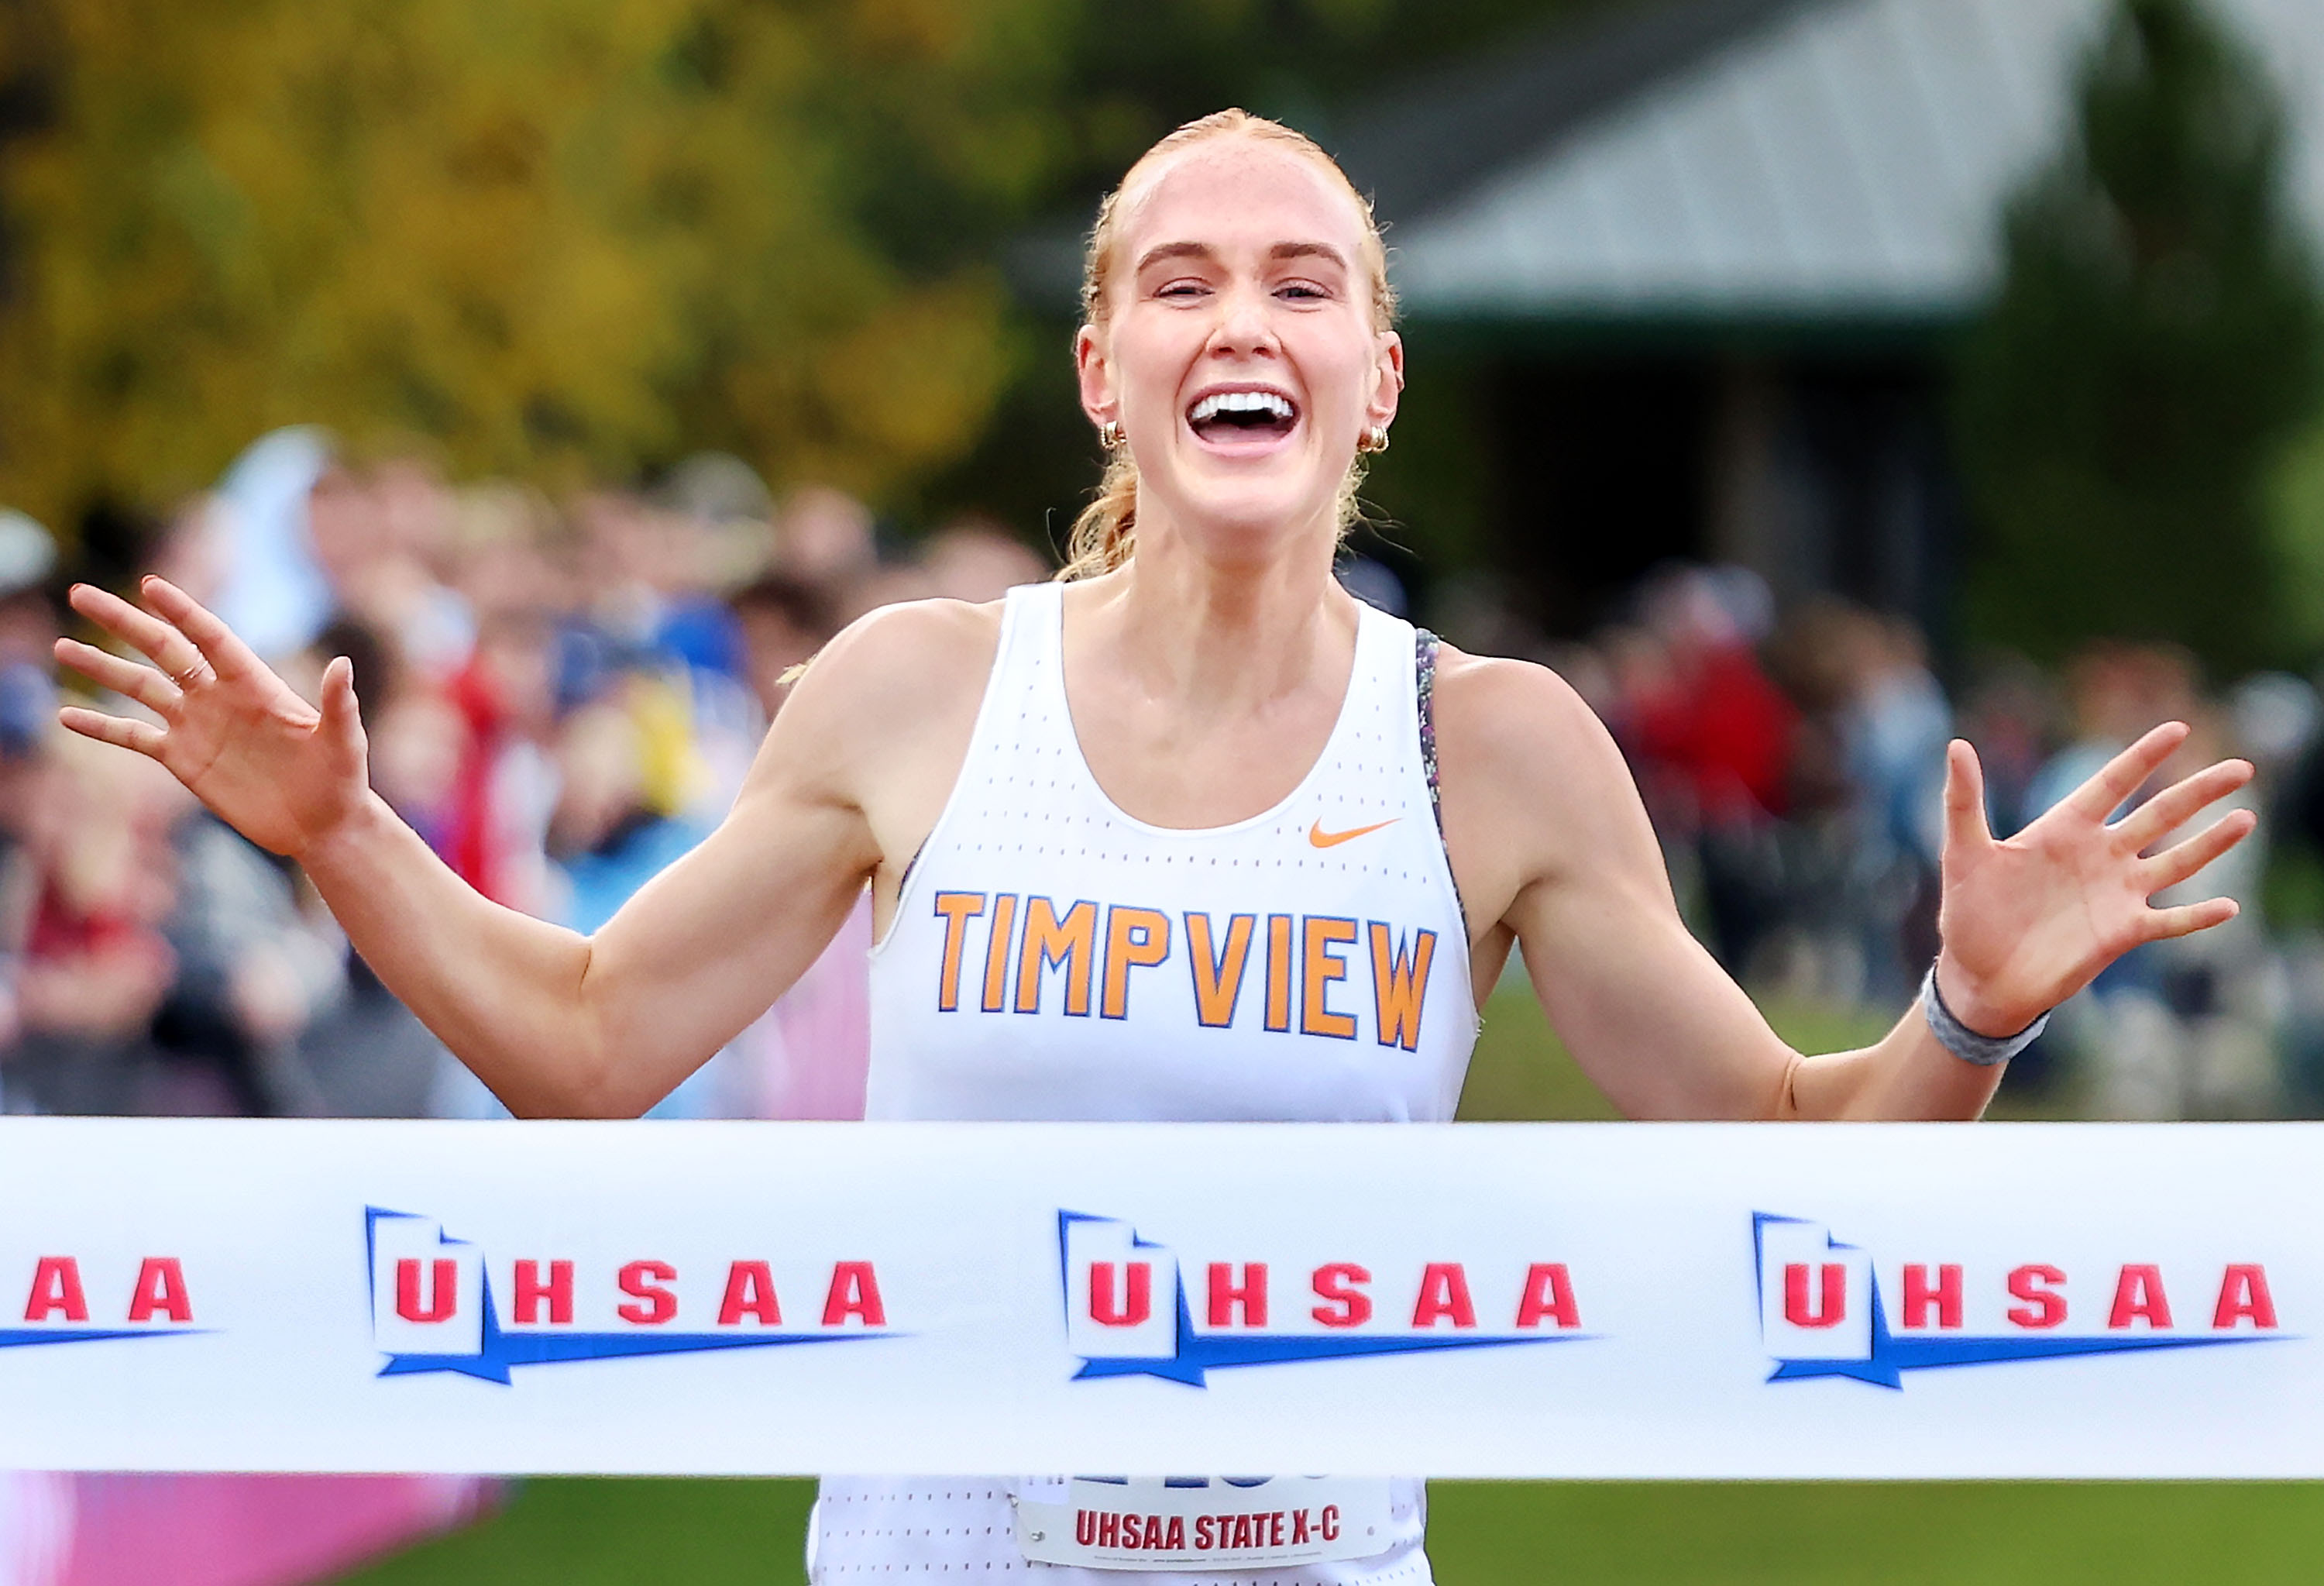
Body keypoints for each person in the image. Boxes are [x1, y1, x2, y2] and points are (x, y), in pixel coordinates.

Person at [54, 110, 2257, 1583]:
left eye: (1302, 285)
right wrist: (344, 835)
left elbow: (1799, 1151)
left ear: (1373, 380)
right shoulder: (920, 691)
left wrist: (1969, 1007)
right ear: (1107, 368)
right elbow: (594, 1036)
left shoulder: (1494, 751)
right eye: (1185, 282)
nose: (1244, 320)